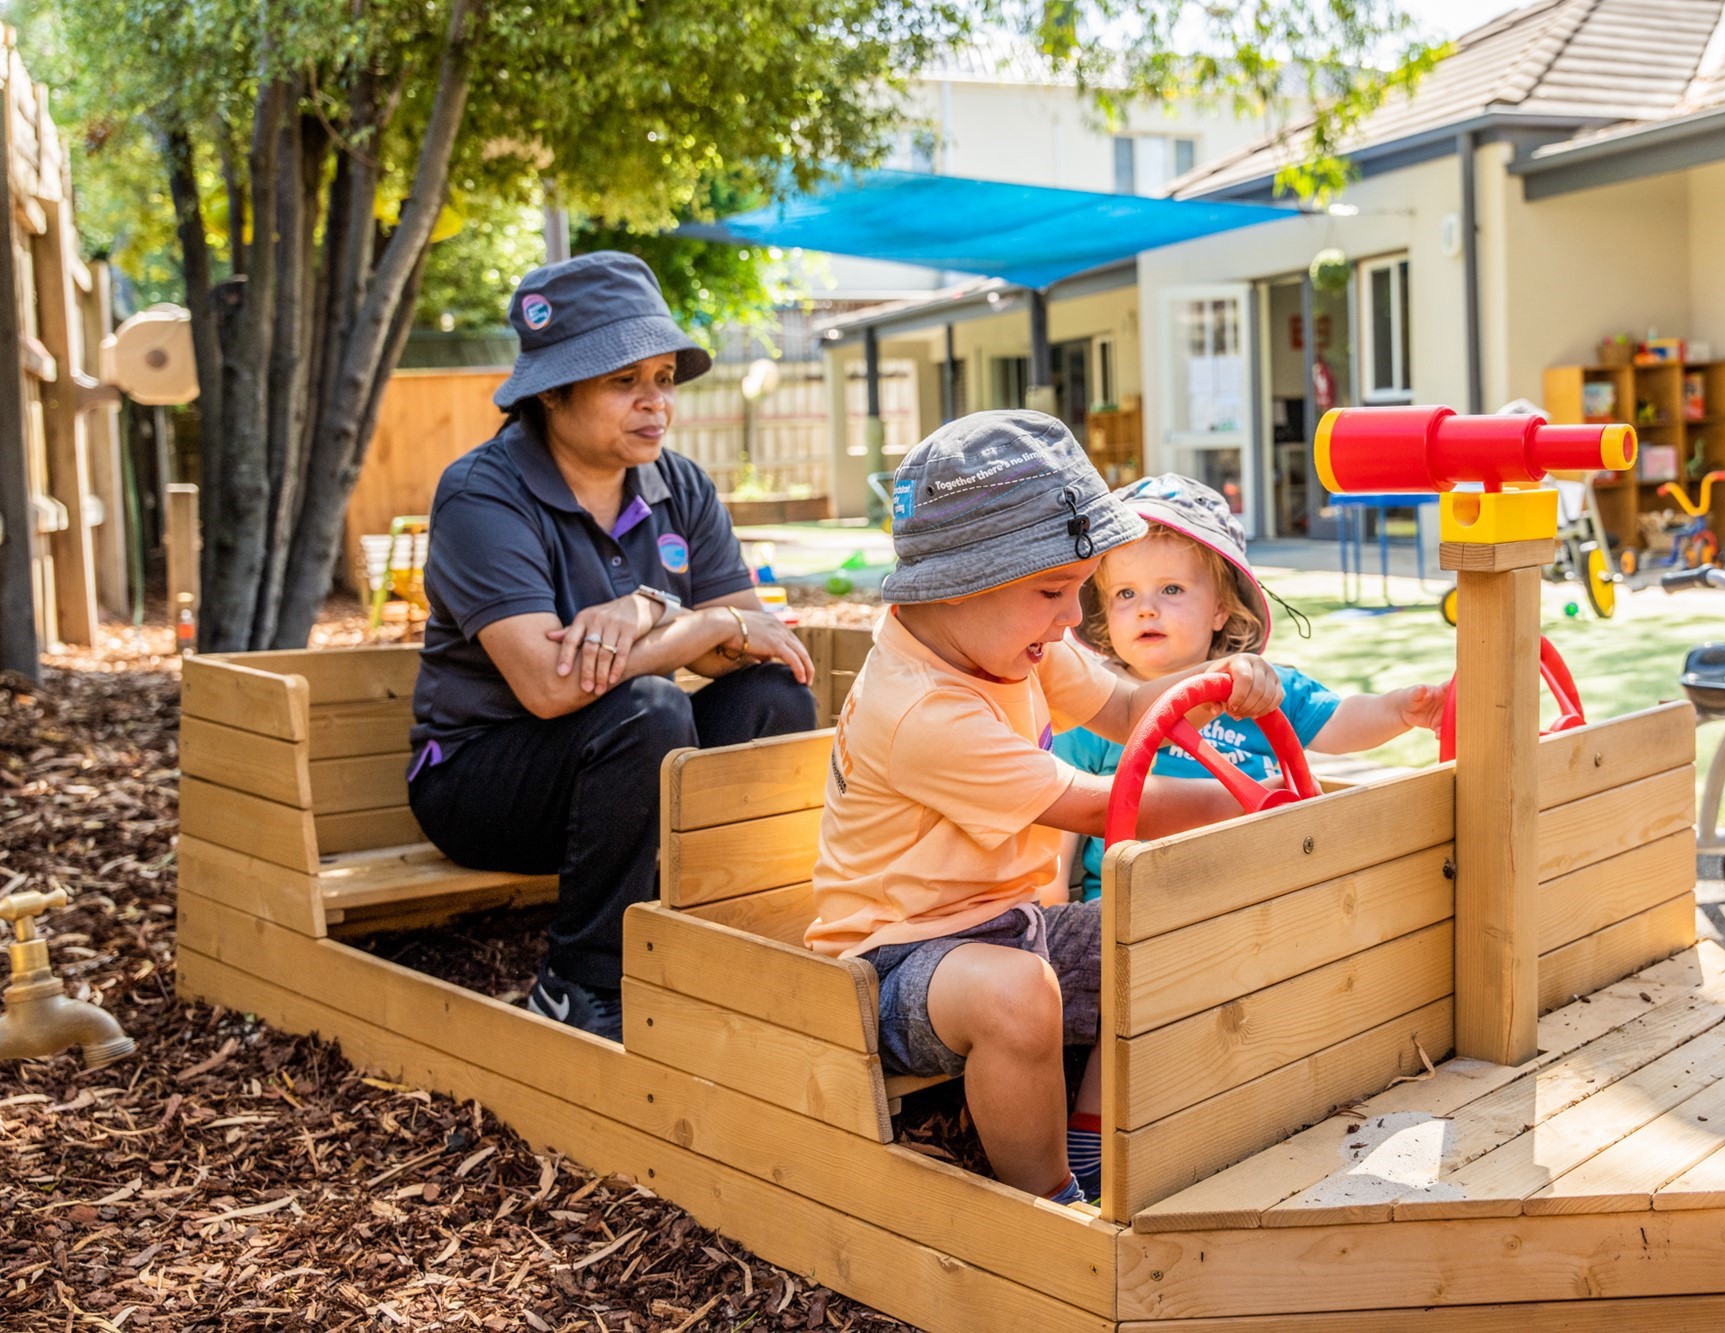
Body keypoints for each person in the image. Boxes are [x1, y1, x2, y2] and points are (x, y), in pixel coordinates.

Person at [806, 411, 1281, 1207]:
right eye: (1055, 592)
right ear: (964, 584)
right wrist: (1243, 802)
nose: (1072, 618)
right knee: (1016, 994)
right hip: (890, 965)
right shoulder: (921, 710)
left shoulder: (1011, 644)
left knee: (1170, 930)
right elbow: (1098, 804)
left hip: (1012, 923)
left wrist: (1221, 682)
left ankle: (1099, 1136)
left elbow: (1127, 707)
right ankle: (1051, 1204)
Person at [408, 251, 819, 1040]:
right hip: (481, 778)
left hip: (613, 770)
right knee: (649, 712)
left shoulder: (679, 485)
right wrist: (697, 624)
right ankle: (580, 982)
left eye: (663, 377)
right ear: (552, 391)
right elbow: (548, 686)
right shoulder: (481, 493)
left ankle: (732, 939)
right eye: (624, 380)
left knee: (773, 696)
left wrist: (656, 610)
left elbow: (753, 639)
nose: (654, 402)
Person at [1056, 474, 1443, 899]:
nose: (1146, 609)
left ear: (1220, 609)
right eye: (1125, 594)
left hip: (1256, 895)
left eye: (1171, 589)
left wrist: (1398, 710)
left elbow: (1338, 722)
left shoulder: (1257, 687)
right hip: (1138, 903)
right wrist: (1053, 893)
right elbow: (1060, 806)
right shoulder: (1096, 704)